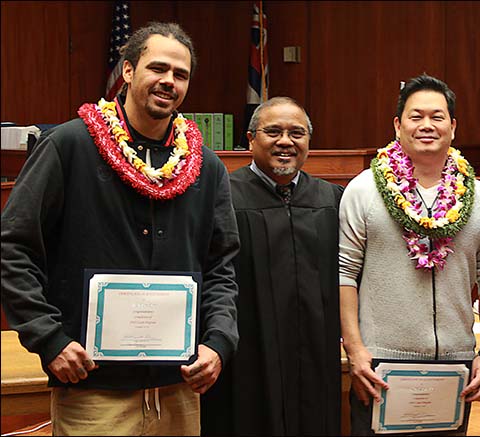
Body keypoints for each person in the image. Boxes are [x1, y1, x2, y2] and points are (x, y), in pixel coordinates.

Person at [1, 22, 240, 436]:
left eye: (180, 75)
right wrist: (48, 338)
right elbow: (12, 247)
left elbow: (221, 266)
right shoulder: (69, 146)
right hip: (93, 390)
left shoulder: (205, 166)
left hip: (177, 390)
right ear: (128, 71)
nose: (169, 81)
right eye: (158, 68)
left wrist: (218, 342)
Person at [339, 74, 480, 436]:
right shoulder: (363, 190)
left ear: (453, 126)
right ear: (398, 125)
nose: (427, 125)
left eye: (437, 116)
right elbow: (344, 273)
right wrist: (356, 350)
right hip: (380, 363)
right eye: (416, 117)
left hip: (456, 365)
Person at [200, 97, 343, 436]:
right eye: (273, 131)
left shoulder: (331, 199)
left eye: (297, 133)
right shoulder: (223, 197)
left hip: (315, 352)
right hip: (247, 352)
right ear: (250, 139)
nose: (285, 141)